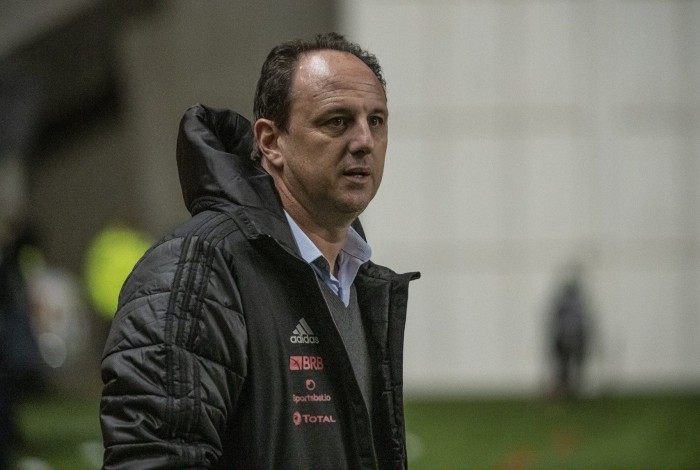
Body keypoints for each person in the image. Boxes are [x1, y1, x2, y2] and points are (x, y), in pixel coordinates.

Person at [100, 32, 419, 469]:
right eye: (337, 121)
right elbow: (154, 458)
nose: (364, 140)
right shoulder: (199, 268)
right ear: (270, 141)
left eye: (376, 121)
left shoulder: (357, 280)